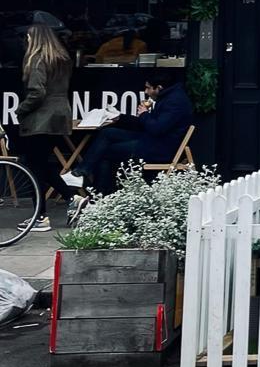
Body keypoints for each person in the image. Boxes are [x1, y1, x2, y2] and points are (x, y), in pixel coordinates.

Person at [73, 70, 194, 197]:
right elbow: (148, 126)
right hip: (152, 140)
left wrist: (144, 114)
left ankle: (100, 195)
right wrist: (121, 118)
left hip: (160, 149)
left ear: (159, 88)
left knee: (106, 152)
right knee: (108, 133)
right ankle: (83, 171)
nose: (146, 92)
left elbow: (156, 128)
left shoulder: (175, 102)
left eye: (148, 88)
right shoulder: (167, 97)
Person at [16, 22, 74, 230]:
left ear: (35, 39)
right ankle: (73, 199)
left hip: (41, 119)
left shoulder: (37, 59)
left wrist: (21, 110)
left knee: (34, 167)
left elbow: (37, 93)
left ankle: (40, 217)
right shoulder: (61, 59)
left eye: (29, 38)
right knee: (43, 165)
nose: (27, 41)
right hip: (59, 117)